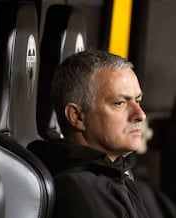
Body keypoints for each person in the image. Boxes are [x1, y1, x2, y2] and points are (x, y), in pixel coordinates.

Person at [28, 49, 150, 217]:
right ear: (77, 116)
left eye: (138, 101)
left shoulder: (117, 172)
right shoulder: (77, 190)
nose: (140, 114)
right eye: (120, 103)